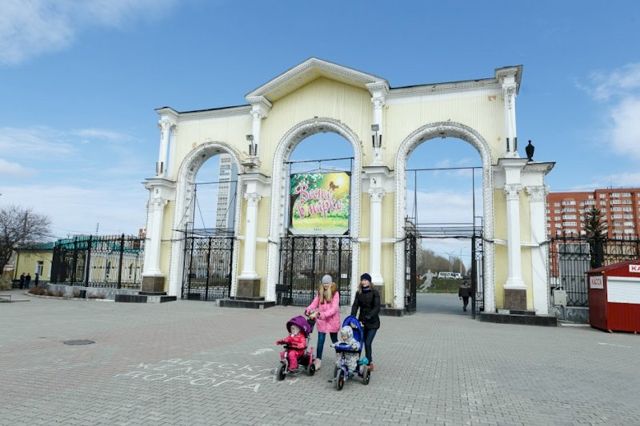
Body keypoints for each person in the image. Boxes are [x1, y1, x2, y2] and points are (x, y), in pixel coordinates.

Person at [305, 274, 340, 371]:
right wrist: (308, 310)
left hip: (332, 320)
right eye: (324, 283)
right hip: (322, 321)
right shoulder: (320, 292)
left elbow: (334, 309)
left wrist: (322, 314)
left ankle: (339, 357)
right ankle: (318, 360)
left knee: (334, 340)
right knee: (320, 341)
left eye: (327, 283)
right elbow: (314, 303)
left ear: (331, 283)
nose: (325, 285)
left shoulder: (335, 293)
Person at [350, 273, 380, 371]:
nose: (364, 282)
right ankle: (354, 361)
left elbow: (377, 307)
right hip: (361, 322)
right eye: (362, 280)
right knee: (358, 343)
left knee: (367, 343)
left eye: (366, 280)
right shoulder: (359, 292)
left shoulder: (375, 292)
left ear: (369, 281)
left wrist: (369, 316)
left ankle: (369, 363)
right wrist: (352, 317)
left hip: (373, 323)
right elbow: (355, 306)